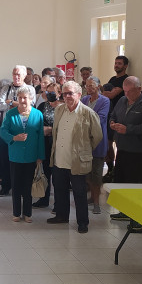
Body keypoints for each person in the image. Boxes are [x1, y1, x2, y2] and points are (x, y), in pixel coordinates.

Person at [48, 81, 103, 233]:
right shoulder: (59, 110)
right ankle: (61, 216)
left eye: (70, 93)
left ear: (79, 94)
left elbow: (97, 136)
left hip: (77, 161)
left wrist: (84, 149)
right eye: (64, 93)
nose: (67, 96)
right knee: (60, 190)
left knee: (79, 193)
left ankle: (82, 222)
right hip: (59, 159)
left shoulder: (88, 113)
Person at [108, 77, 142, 223]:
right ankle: (124, 211)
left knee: (135, 183)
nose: (126, 94)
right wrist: (112, 123)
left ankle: (135, 214)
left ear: (139, 89)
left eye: (130, 91)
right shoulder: (122, 100)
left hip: (138, 151)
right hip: (122, 148)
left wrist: (129, 129)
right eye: (125, 91)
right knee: (121, 181)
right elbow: (113, 115)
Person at [0, 85, 45, 222]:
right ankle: (16, 213)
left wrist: (40, 156)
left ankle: (28, 213)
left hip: (31, 155)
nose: (22, 100)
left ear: (31, 99)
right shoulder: (11, 114)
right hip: (16, 155)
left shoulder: (38, 114)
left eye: (25, 98)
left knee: (28, 185)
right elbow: (3, 131)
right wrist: (14, 138)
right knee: (16, 185)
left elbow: (40, 137)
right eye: (20, 98)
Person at [80, 77, 110, 214]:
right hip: (85, 142)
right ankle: (92, 197)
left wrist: (85, 119)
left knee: (97, 174)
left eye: (92, 86)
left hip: (98, 142)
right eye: (87, 86)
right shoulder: (84, 100)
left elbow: (100, 118)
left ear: (98, 86)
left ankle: (97, 202)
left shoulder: (105, 101)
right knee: (87, 173)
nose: (89, 88)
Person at [0, 65, 27, 196]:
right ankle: (5, 185)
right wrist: (15, 104)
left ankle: (20, 187)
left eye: (19, 74)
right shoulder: (6, 88)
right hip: (6, 128)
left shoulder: (29, 89)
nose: (16, 76)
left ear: (24, 75)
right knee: (4, 157)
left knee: (21, 158)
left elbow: (27, 107)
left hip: (22, 127)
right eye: (14, 74)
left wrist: (11, 103)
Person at [101, 55, 129, 181]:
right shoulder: (112, 79)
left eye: (119, 63)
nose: (116, 65)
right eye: (115, 63)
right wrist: (108, 93)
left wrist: (109, 93)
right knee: (107, 144)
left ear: (125, 66)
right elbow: (104, 94)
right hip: (109, 115)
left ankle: (117, 171)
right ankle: (110, 169)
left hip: (121, 117)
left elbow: (110, 95)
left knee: (117, 144)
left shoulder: (126, 80)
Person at [34, 82, 60, 209]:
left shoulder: (62, 107)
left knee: (57, 174)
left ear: (59, 93)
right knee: (45, 171)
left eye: (53, 92)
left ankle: (58, 203)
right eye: (48, 92)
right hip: (44, 142)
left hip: (58, 143)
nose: (50, 94)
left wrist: (51, 129)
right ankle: (44, 199)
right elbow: (36, 123)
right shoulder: (42, 106)